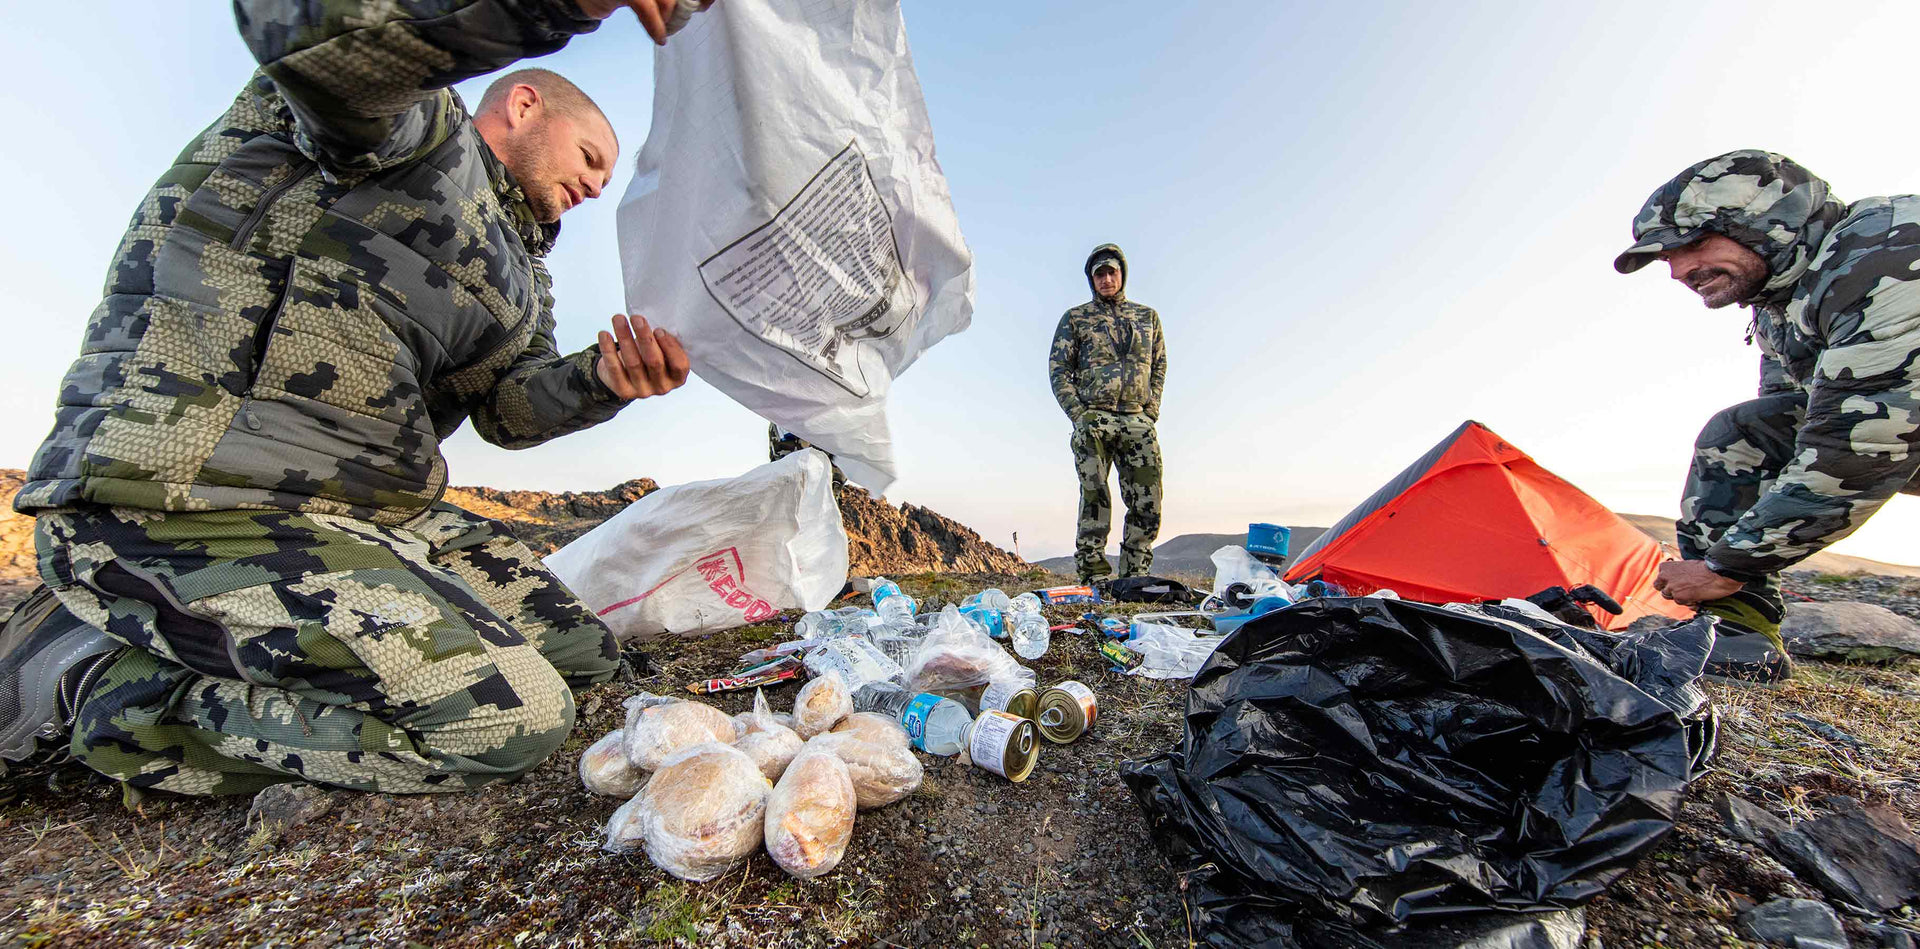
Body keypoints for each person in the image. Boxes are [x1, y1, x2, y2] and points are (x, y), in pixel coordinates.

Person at [0, 0, 708, 797]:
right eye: (590, 156)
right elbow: (313, 39)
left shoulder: (522, 281)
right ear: (523, 105)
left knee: (585, 659)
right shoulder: (405, 126)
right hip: (189, 496)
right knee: (509, 720)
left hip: (369, 515)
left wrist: (604, 381)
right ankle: (112, 692)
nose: (598, 182)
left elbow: (508, 410)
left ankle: (198, 638)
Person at [1615, 149, 1920, 680]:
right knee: (1742, 434)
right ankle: (1738, 631)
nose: (1679, 271)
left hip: (1889, 430)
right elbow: (1791, 425)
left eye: (1694, 245)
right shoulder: (1780, 306)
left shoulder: (1882, 253)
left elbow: (1856, 444)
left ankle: (1729, 596)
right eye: (1669, 259)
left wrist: (1722, 566)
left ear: (1766, 222)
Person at [1048, 244, 1167, 585]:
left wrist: (1151, 410)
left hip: (1137, 421)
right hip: (1094, 420)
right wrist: (1079, 414)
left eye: (1111, 272)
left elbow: (1159, 365)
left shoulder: (1147, 318)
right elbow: (1059, 368)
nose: (1106, 279)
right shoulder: (1076, 319)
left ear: (1122, 274)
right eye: (1099, 274)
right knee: (1095, 497)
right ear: (1092, 280)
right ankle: (1094, 574)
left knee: (1148, 499)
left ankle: (1136, 574)